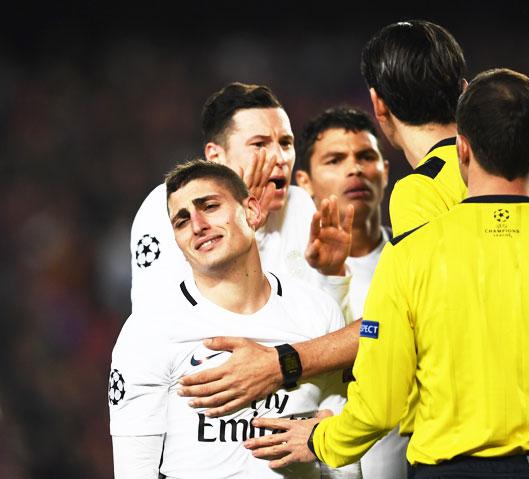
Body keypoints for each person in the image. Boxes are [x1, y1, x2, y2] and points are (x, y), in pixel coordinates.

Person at [244, 68, 529, 478]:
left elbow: (380, 403)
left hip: (447, 471)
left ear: (461, 148)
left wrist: (324, 441)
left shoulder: (409, 257)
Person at [178, 20, 529, 419]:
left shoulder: (419, 191)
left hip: (472, 432)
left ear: (379, 106)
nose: (354, 171)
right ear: (463, 90)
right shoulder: (524, 174)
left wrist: (285, 366)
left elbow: (407, 323)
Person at [110, 160, 358, 478]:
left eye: (210, 206)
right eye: (182, 221)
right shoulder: (149, 331)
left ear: (252, 211)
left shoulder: (317, 311)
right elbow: (134, 472)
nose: (197, 225)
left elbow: (342, 455)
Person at [130, 81, 354, 314]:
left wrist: (333, 276)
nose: (280, 157)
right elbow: (159, 321)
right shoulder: (169, 206)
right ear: (216, 157)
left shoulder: (300, 207)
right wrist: (246, 228)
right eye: (259, 144)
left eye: (286, 143)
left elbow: (330, 336)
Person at [295, 106, 408, 479]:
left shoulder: (416, 260)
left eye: (366, 156)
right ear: (305, 182)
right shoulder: (286, 276)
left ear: (385, 171)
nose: (354, 168)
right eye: (335, 159)